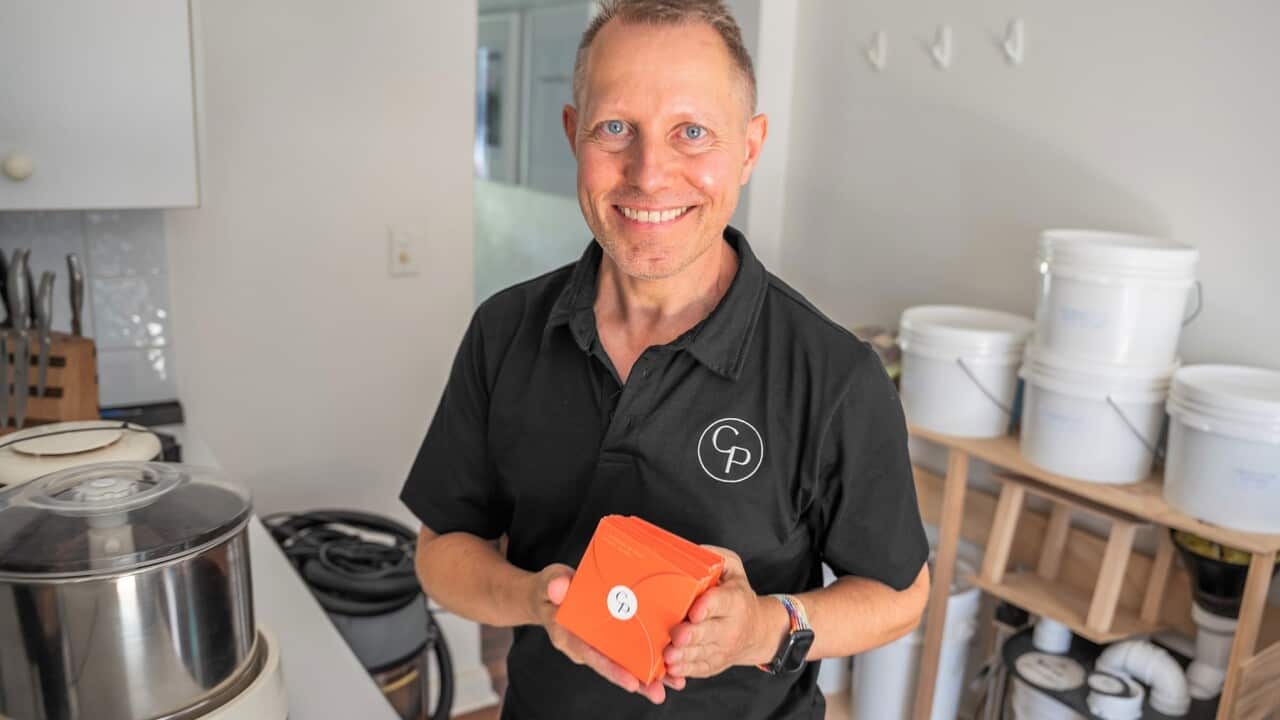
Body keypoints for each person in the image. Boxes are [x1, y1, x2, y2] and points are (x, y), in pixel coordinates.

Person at [401, 1, 930, 717]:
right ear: (573, 133)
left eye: (693, 132)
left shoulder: (833, 374)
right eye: (616, 128)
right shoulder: (504, 331)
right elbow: (441, 553)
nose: (649, 175)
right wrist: (537, 599)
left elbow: (900, 596)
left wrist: (762, 628)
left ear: (749, 147)